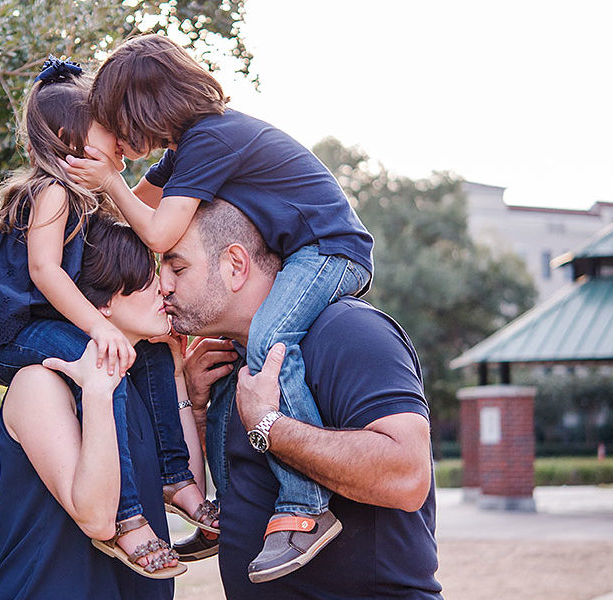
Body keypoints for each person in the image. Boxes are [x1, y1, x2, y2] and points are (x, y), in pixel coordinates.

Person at [65, 34, 373, 581]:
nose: (116, 135)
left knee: (269, 340)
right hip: (303, 256)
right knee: (232, 371)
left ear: (143, 108)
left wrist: (110, 178)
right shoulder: (183, 154)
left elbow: (157, 232)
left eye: (117, 122)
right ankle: (231, 517)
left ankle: (307, 509)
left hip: (330, 250)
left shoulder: (213, 137)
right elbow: (139, 208)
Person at [0, 57, 216, 578]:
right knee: (102, 361)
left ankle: (175, 480)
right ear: (68, 137)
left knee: (143, 356)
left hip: (46, 324)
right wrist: (99, 328)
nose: (122, 138)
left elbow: (151, 218)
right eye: (110, 129)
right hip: (10, 331)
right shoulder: (51, 190)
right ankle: (127, 521)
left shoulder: (88, 195)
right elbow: (45, 270)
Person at [163, 199, 442, 598]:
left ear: (235, 265)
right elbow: (249, 488)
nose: (164, 285)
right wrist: (199, 409)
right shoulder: (229, 358)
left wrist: (269, 425)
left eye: (177, 267)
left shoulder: (349, 330)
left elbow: (407, 475)